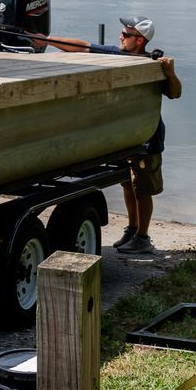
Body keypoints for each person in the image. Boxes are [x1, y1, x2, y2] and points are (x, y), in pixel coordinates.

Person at [27, 16, 181, 254]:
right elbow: (83, 46)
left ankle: (143, 237)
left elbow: (175, 93)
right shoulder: (115, 55)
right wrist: (47, 39)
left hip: (148, 138)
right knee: (127, 186)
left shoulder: (155, 64)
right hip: (125, 137)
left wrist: (170, 73)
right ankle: (131, 229)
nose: (120, 37)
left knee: (143, 190)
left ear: (139, 40)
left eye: (126, 35)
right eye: (121, 33)